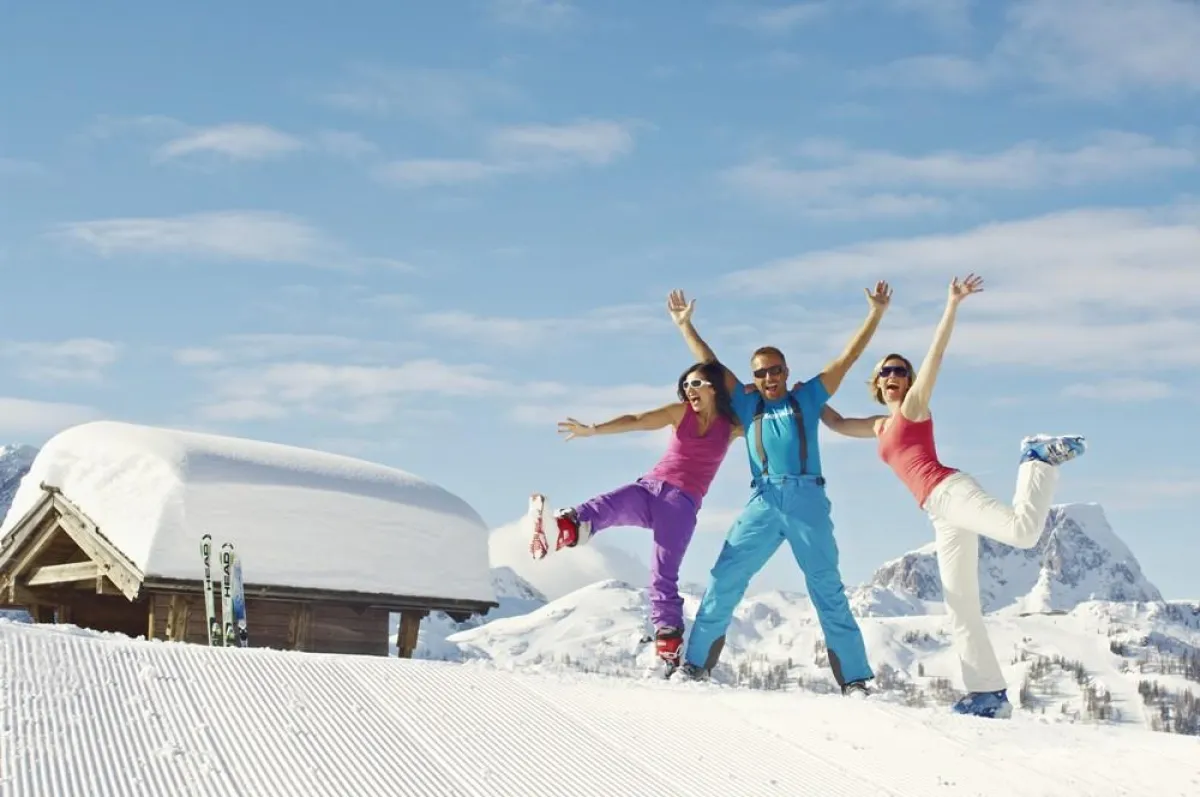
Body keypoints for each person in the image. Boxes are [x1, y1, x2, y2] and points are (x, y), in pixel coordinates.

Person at [820, 273, 1086, 719]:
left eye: (899, 371)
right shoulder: (878, 425)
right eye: (885, 371)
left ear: (908, 381)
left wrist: (951, 305)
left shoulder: (914, 408)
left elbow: (935, 356)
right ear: (876, 381)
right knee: (960, 604)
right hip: (939, 513)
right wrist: (798, 397)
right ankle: (987, 693)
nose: (892, 376)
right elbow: (833, 421)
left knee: (1022, 532)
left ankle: (1036, 459)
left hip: (951, 490)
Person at [666, 283, 891, 695]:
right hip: (764, 500)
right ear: (753, 377)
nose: (768, 377)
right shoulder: (748, 405)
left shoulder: (807, 398)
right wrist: (686, 326)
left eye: (775, 370)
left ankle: (855, 679)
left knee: (826, 586)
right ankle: (695, 666)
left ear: (786, 372)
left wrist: (875, 314)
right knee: (725, 578)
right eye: (761, 372)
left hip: (807, 500)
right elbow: (711, 367)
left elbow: (847, 359)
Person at [534, 360, 742, 669]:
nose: (689, 391)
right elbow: (638, 419)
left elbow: (756, 408)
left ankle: (669, 644)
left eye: (696, 384)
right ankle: (564, 530)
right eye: (685, 386)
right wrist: (593, 430)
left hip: (681, 505)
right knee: (606, 505)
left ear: (714, 388)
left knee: (662, 575)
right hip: (650, 488)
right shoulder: (679, 412)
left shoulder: (732, 427)